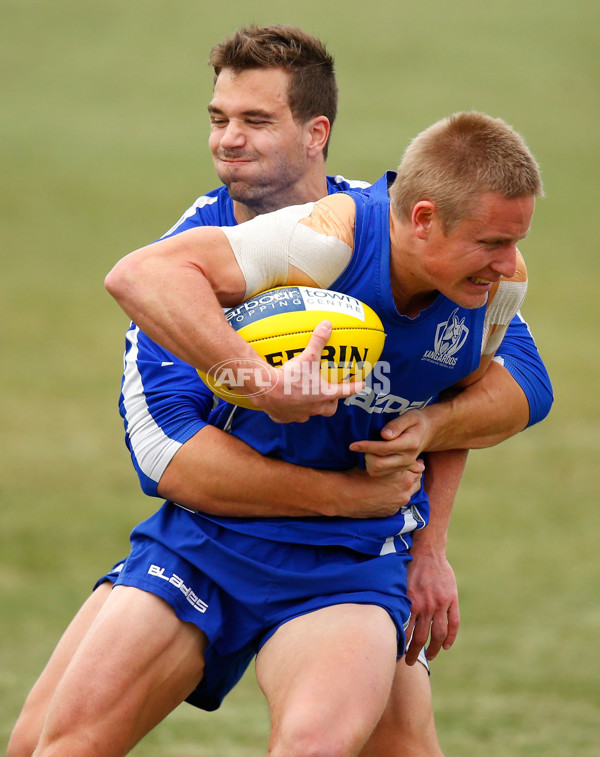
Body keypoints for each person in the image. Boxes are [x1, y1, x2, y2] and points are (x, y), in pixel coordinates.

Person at [11, 26, 552, 757]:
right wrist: (262, 386)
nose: (230, 139)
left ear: (316, 132)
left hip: (352, 559)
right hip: (212, 537)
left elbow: (505, 389)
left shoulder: (439, 249)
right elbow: (166, 454)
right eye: (218, 119)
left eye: (256, 120)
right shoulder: (205, 260)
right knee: (47, 744)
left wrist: (429, 530)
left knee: (360, 743)